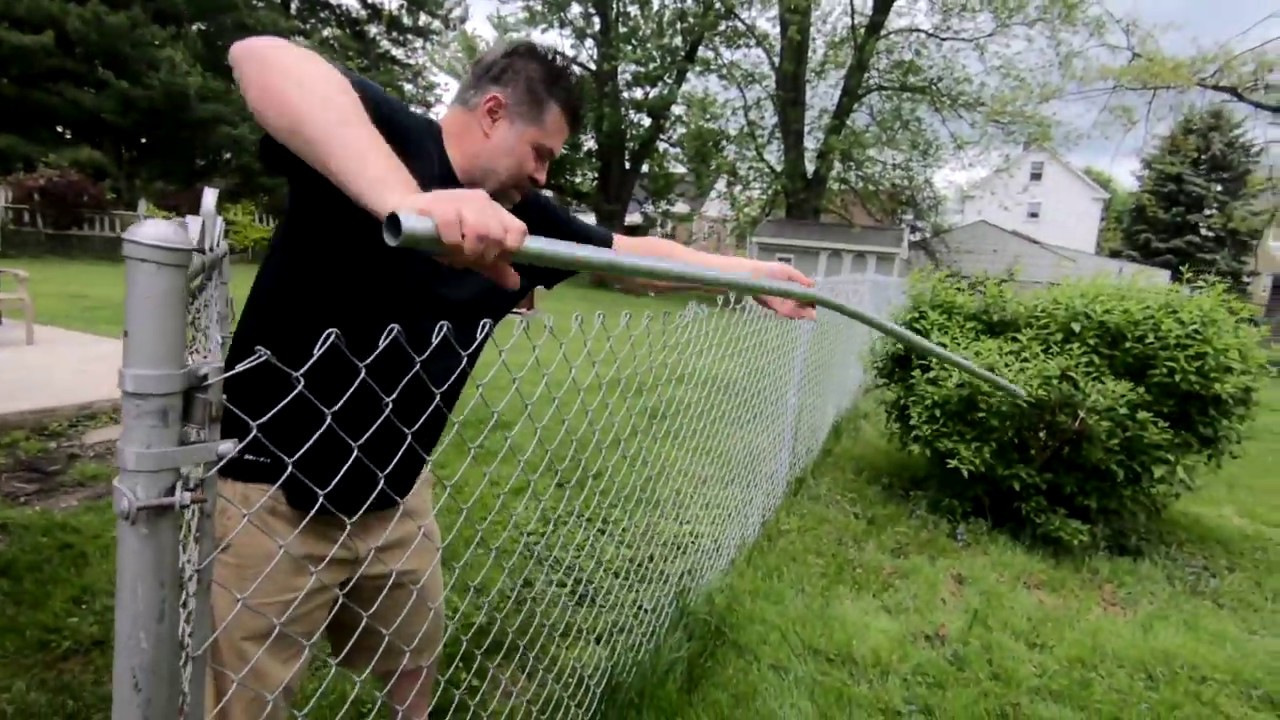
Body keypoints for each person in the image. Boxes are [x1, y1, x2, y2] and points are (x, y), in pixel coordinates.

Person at [206, 34, 817, 720]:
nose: (545, 176)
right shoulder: (392, 142)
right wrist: (412, 207)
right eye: (541, 153)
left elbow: (631, 258)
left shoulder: (521, 223)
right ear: (493, 112)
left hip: (395, 493)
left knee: (413, 659)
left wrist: (746, 275)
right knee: (239, 701)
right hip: (270, 490)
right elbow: (260, 56)